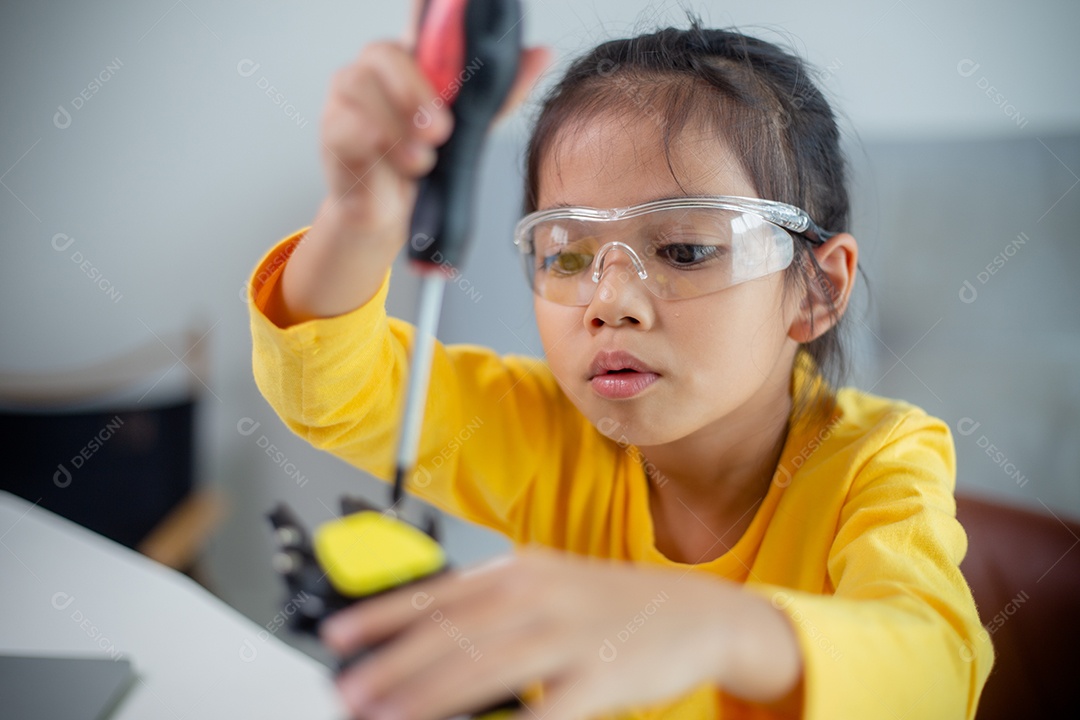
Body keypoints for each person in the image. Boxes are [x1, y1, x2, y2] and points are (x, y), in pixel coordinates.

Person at [247, 13, 993, 720]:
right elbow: (331, 387)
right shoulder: (549, 430)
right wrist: (358, 221)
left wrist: (713, 626)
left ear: (818, 288)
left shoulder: (879, 461)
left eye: (686, 250)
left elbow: (935, 674)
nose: (609, 302)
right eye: (568, 254)